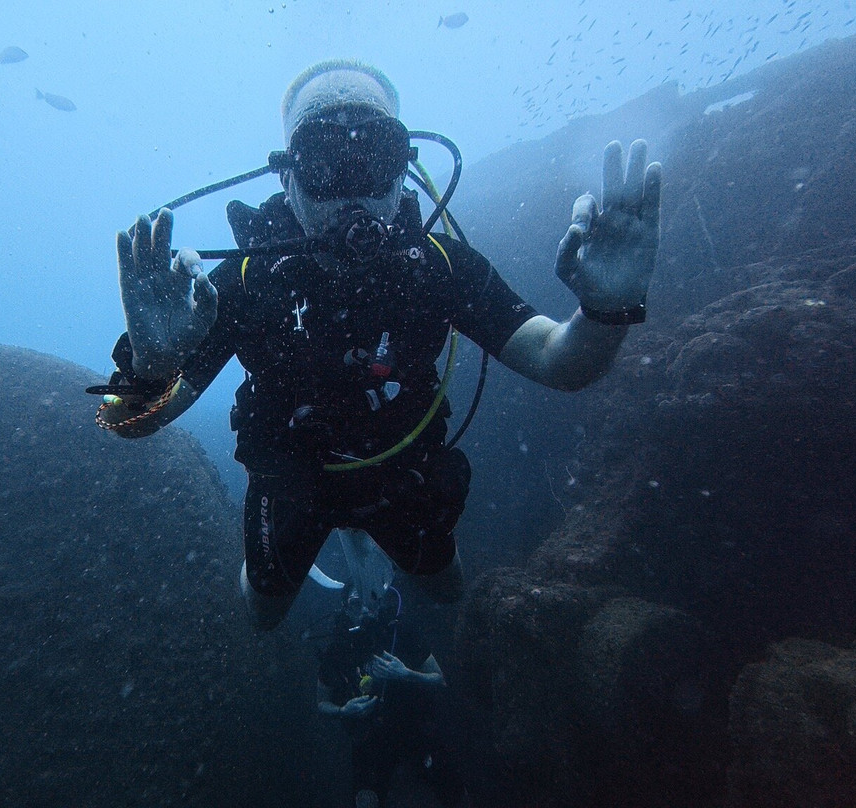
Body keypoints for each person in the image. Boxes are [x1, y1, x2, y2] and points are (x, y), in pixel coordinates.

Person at [94, 60, 661, 629]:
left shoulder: (439, 267)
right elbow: (126, 422)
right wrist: (152, 370)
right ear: (288, 179)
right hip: (292, 484)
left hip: (401, 476)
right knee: (262, 614)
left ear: (403, 173)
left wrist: (605, 312)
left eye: (376, 157)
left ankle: (364, 548)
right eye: (325, 161)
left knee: (447, 592)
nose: (353, 190)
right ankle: (347, 548)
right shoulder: (241, 285)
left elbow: (560, 362)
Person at [316, 565, 467, 808]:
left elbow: (440, 679)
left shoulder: (401, 632)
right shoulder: (338, 650)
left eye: (369, 600)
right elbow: (321, 703)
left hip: (415, 727)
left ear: (379, 600)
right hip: (369, 741)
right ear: (345, 609)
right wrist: (343, 711)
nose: (364, 610)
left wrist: (406, 674)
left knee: (452, 790)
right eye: (356, 604)